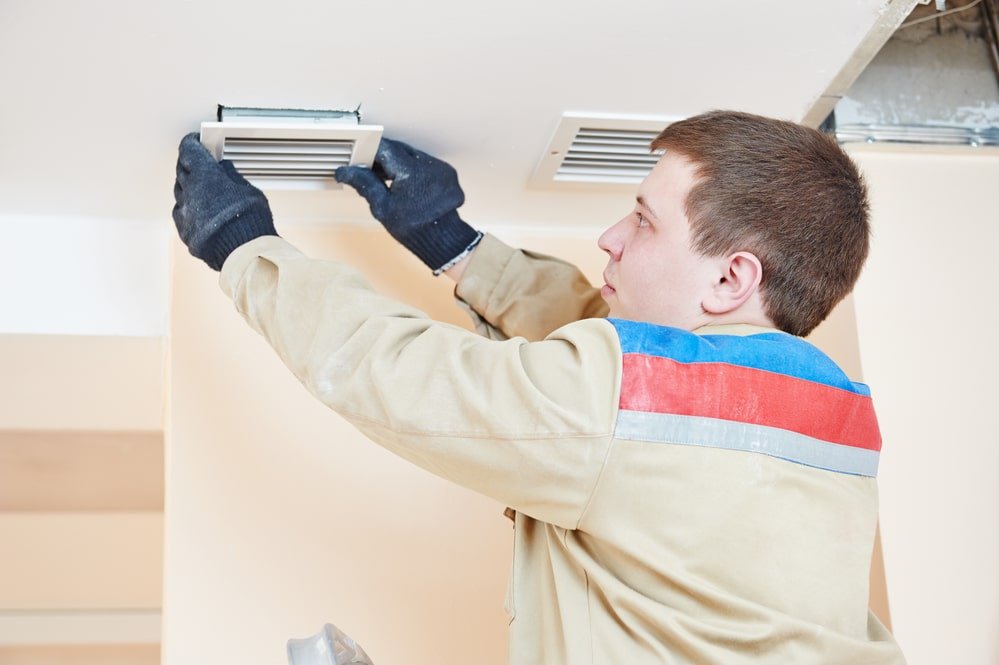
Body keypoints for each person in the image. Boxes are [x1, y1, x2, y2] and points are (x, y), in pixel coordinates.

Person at [172, 110, 906, 664]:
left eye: (644, 222)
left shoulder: (626, 405)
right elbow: (623, 370)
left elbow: (396, 371)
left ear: (729, 277)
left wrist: (243, 246)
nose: (610, 238)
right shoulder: (833, 421)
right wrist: (455, 247)